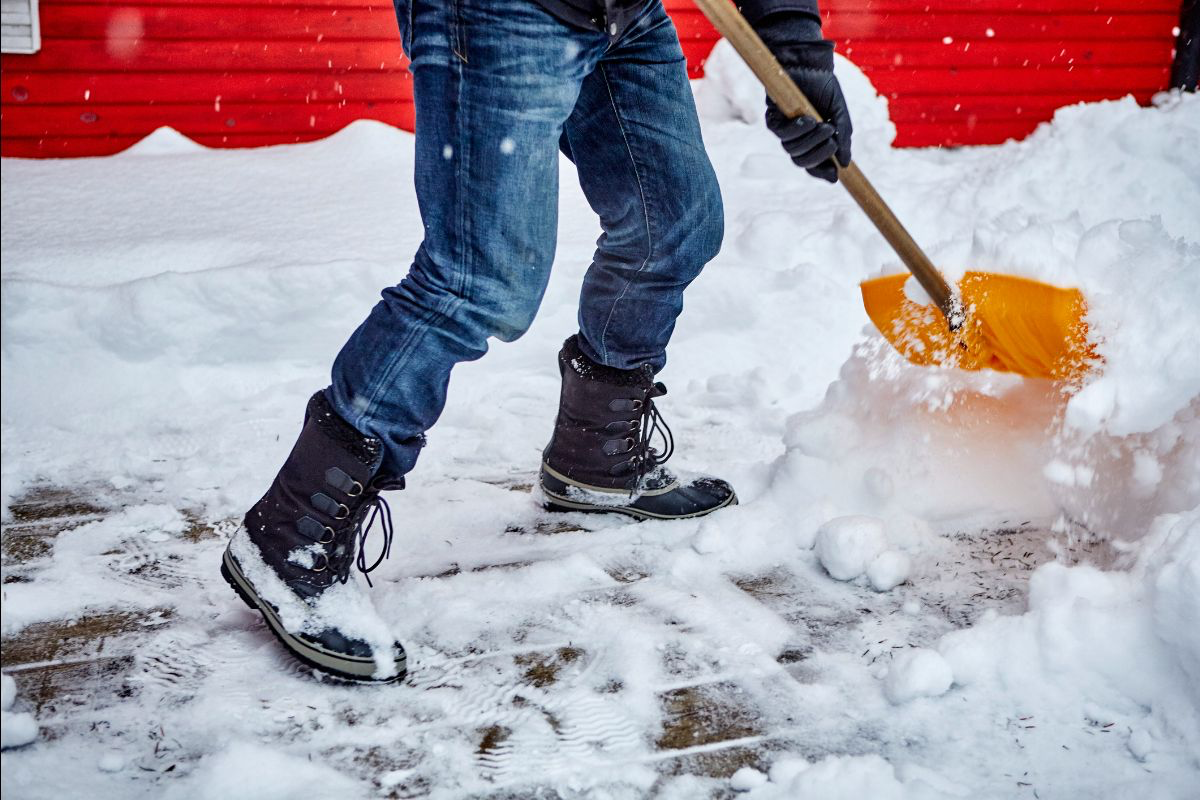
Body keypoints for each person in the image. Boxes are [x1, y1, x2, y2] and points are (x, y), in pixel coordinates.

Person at [220, 0, 853, 682]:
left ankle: (596, 455)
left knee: (672, 222)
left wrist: (796, 59)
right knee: (478, 279)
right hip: (502, 12)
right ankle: (291, 534)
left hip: (624, 11)